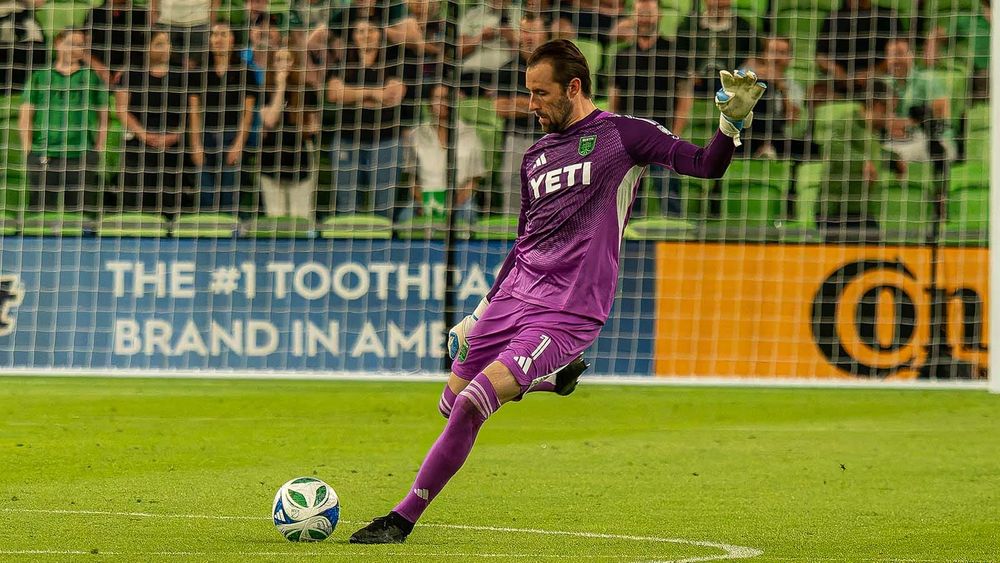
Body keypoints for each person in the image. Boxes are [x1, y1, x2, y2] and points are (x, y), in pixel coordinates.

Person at [348, 39, 764, 544]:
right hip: (513, 296)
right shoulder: (536, 157)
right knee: (449, 403)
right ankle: (553, 381)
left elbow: (705, 165)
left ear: (573, 87)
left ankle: (401, 518)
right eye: (528, 93)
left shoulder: (624, 136)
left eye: (540, 93)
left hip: (568, 307)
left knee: (473, 403)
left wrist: (729, 126)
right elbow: (525, 241)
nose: (530, 104)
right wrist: (479, 313)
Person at [326, 19, 409, 218]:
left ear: (380, 35)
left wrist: (353, 95)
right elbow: (334, 94)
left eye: (371, 30)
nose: (366, 35)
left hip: (386, 139)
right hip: (347, 140)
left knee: (384, 207)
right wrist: (374, 94)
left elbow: (394, 95)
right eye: (360, 31)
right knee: (347, 206)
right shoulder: (344, 63)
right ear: (354, 36)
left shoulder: (393, 61)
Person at [19, 29, 108, 212]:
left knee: (81, 214)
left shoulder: (91, 77)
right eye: (72, 43)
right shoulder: (40, 76)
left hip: (81, 154)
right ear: (58, 44)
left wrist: (98, 148)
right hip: (44, 154)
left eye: (81, 45)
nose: (77, 49)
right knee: (41, 213)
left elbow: (103, 117)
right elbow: (26, 115)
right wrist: (28, 149)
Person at [608, 0, 682, 215]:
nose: (646, 17)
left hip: (663, 133)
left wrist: (676, 132)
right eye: (641, 12)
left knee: (670, 194)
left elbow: (684, 96)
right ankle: (627, 243)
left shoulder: (673, 51)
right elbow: (615, 98)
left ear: (659, 16)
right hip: (631, 136)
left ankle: (675, 238)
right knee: (630, 199)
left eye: (650, 12)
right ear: (634, 17)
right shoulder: (622, 55)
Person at [114, 30, 199, 215]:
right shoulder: (132, 73)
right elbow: (121, 109)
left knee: (171, 202)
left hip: (173, 146)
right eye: (159, 44)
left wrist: (175, 135)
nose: (165, 48)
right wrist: (144, 135)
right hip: (139, 144)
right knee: (137, 201)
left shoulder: (182, 75)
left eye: (167, 43)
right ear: (147, 47)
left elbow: (191, 111)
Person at [189, 22, 260, 212]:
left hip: (232, 136)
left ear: (232, 39)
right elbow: (194, 112)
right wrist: (195, 145)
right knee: (205, 195)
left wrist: (238, 144)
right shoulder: (199, 71)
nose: (218, 39)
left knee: (230, 196)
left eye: (223, 34)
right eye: (214, 34)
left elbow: (248, 114)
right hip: (206, 136)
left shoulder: (245, 71)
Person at [491, 15, 548, 215]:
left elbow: (559, 107)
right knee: (513, 209)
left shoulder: (556, 69)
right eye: (524, 31)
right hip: (515, 141)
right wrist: (539, 103)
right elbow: (500, 108)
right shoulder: (507, 69)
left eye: (534, 31)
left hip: (549, 142)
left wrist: (517, 103)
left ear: (545, 34)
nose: (528, 36)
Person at [405, 83, 485, 223]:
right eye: (436, 98)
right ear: (429, 103)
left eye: (445, 98)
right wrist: (424, 202)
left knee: (469, 214)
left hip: (460, 201)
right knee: (404, 218)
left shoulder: (470, 134)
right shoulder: (417, 135)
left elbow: (475, 179)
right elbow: (412, 179)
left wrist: (456, 202)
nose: (441, 103)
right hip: (425, 199)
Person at [258, 48, 321, 218]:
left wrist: (306, 127)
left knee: (301, 216)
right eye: (279, 59)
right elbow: (270, 120)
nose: (283, 64)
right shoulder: (265, 90)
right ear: (273, 64)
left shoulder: (307, 90)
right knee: (275, 215)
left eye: (288, 59)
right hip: (271, 157)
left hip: (299, 157)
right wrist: (281, 87)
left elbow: (314, 127)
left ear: (295, 63)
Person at [815, 0, 902, 99]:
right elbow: (820, 56)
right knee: (816, 93)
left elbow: (898, 54)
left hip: (877, 81)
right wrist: (837, 71)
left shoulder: (888, 16)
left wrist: (872, 73)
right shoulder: (832, 17)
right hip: (838, 82)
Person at [84, 0, 151, 84]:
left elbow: (144, 49)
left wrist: (126, 69)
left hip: (130, 69)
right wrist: (99, 68)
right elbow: (84, 48)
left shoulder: (140, 14)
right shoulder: (95, 13)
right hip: (97, 69)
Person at [151, 0, 221, 68]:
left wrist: (212, 21)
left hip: (200, 22)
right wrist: (153, 13)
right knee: (164, 63)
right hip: (166, 20)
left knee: (194, 65)